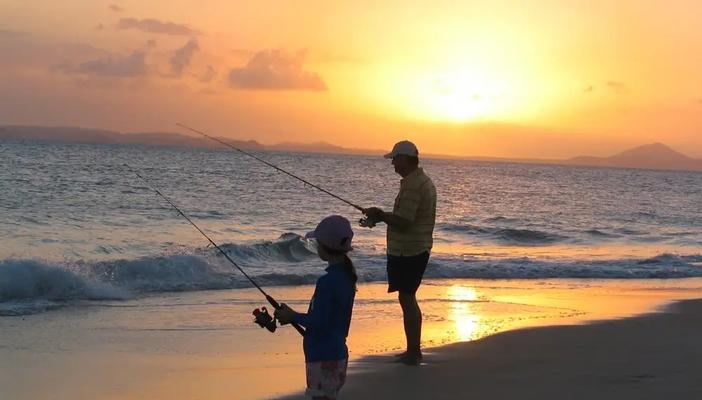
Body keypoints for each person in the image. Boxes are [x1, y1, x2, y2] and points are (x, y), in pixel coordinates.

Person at [363, 140, 436, 366]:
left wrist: (381, 215)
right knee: (407, 297)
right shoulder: (417, 182)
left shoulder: (414, 186)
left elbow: (403, 223)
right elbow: (403, 220)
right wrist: (382, 217)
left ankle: (413, 352)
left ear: (405, 159)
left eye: (394, 158)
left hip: (409, 251)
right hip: (414, 248)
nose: (392, 163)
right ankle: (413, 350)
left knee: (407, 298)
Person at [275, 215, 357, 400]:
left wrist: (292, 316)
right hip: (337, 354)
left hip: (322, 356)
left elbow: (319, 322)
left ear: (324, 248)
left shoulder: (327, 282)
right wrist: (293, 316)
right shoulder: (347, 278)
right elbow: (330, 321)